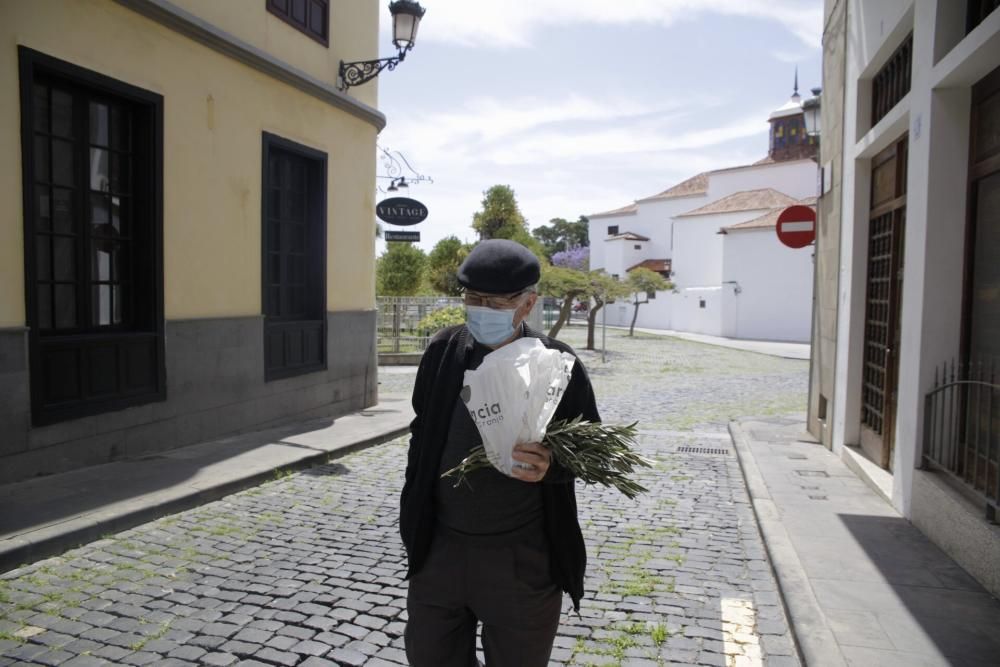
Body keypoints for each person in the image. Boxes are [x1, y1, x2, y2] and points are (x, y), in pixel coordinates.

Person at [399, 238, 601, 667]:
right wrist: (414, 520)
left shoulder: (557, 364)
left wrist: (552, 465)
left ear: (528, 304)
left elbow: (591, 450)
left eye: (496, 301)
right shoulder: (442, 352)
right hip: (440, 553)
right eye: (473, 298)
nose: (481, 309)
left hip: (523, 561)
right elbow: (421, 432)